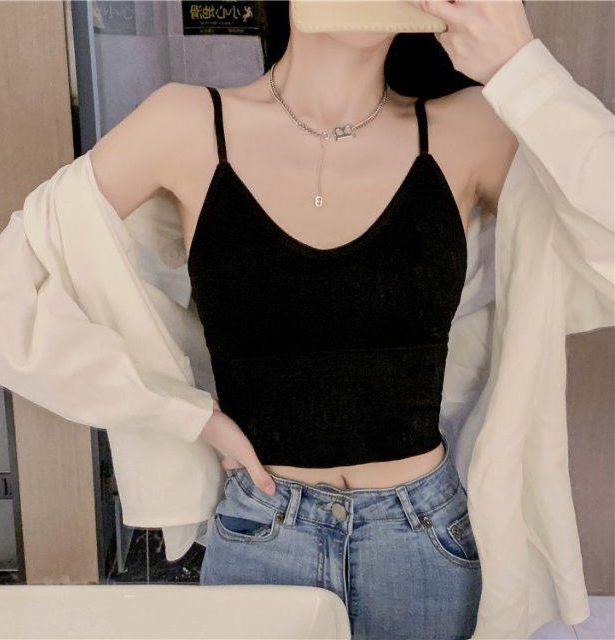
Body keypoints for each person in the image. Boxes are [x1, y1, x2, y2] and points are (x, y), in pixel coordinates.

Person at [86, 1, 527, 638]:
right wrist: (184, 414)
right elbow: (18, 287)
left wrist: (522, 64)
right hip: (264, 530)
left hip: (421, 537)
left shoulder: (469, 128)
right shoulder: (186, 123)